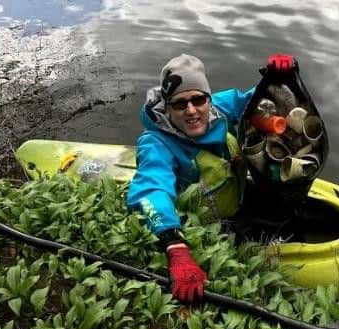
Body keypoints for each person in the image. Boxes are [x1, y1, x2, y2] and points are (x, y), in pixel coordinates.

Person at [127, 53, 296, 303]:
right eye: (179, 104)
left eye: (198, 100)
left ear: (207, 98)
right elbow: (150, 190)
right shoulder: (156, 144)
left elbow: (259, 100)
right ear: (167, 106)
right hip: (207, 226)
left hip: (237, 203)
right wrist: (175, 246)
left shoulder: (218, 108)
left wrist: (280, 77)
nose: (191, 110)